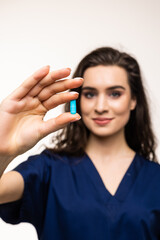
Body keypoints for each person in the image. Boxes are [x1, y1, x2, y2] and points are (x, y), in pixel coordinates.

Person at [0, 47, 160, 240]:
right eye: (90, 94)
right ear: (78, 99)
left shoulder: (155, 178)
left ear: (133, 100)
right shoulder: (48, 169)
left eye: (115, 94)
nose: (101, 107)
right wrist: (2, 152)